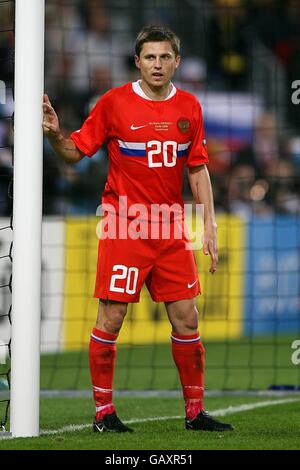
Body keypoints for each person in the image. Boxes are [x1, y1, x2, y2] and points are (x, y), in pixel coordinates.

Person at [43, 25, 233, 433]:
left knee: (188, 319)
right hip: (124, 226)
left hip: (171, 230)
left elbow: (197, 169)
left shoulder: (190, 108)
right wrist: (57, 134)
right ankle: (103, 414)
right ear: (137, 62)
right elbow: (75, 153)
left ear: (177, 62)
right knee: (111, 318)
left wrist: (209, 224)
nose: (158, 64)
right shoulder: (114, 103)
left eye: (165, 57)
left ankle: (195, 413)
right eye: (150, 57)